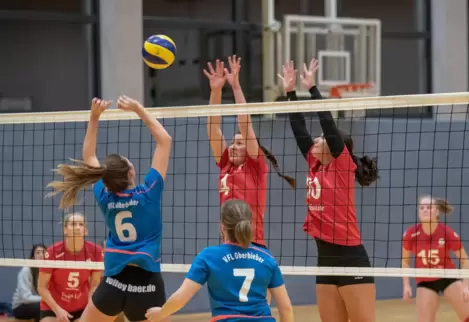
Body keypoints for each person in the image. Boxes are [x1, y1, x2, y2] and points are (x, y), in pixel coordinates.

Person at [46, 96, 171, 322]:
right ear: (131, 171)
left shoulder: (104, 196)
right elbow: (164, 140)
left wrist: (94, 118)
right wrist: (138, 109)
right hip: (147, 283)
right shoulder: (148, 193)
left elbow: (89, 156)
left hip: (114, 281)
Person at [278, 59, 379, 322]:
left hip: (351, 259)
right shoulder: (315, 163)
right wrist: (290, 92)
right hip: (325, 261)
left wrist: (312, 89)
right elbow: (299, 128)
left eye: (322, 139)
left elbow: (327, 124)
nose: (317, 140)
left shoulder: (341, 165)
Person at [145, 199, 294, 322]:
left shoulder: (208, 257)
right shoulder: (267, 258)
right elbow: (286, 308)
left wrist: (161, 313)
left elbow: (181, 298)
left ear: (222, 227)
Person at [204, 56, 295, 250]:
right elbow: (213, 129)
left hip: (252, 243)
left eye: (239, 143)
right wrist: (216, 91)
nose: (234, 146)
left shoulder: (255, 166)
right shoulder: (226, 164)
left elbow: (245, 125)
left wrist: (236, 87)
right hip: (227, 244)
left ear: (250, 148)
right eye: (232, 143)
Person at [402, 196, 469, 322]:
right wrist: (406, 285)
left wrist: (465, 286)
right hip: (425, 281)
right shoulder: (411, 234)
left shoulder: (446, 232)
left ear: (437, 212)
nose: (425, 210)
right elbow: (405, 261)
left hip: (448, 277)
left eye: (429, 207)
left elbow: (464, 260)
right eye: (422, 208)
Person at [37, 213, 104, 322]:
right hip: (53, 307)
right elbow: (41, 287)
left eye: (81, 224)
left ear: (86, 231)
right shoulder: (52, 251)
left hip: (82, 307)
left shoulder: (95, 251)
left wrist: (90, 308)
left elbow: (95, 283)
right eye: (73, 224)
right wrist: (58, 310)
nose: (77, 227)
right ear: (65, 229)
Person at [12, 243, 47, 322]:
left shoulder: (48, 271)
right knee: (41, 308)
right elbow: (25, 298)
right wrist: (45, 299)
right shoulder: (26, 270)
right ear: (33, 257)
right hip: (20, 306)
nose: (41, 255)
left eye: (43, 252)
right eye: (37, 252)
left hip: (39, 303)